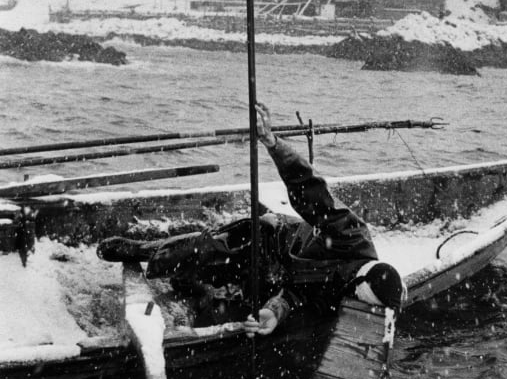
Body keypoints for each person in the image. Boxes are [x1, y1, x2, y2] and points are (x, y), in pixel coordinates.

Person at [97, 102, 407, 336]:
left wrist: (273, 312)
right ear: (363, 278)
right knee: (211, 249)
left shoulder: (347, 291)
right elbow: (312, 191)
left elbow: (299, 295)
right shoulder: (352, 234)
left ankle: (193, 287)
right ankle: (146, 250)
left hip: (279, 275)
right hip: (273, 239)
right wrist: (273, 144)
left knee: (231, 307)